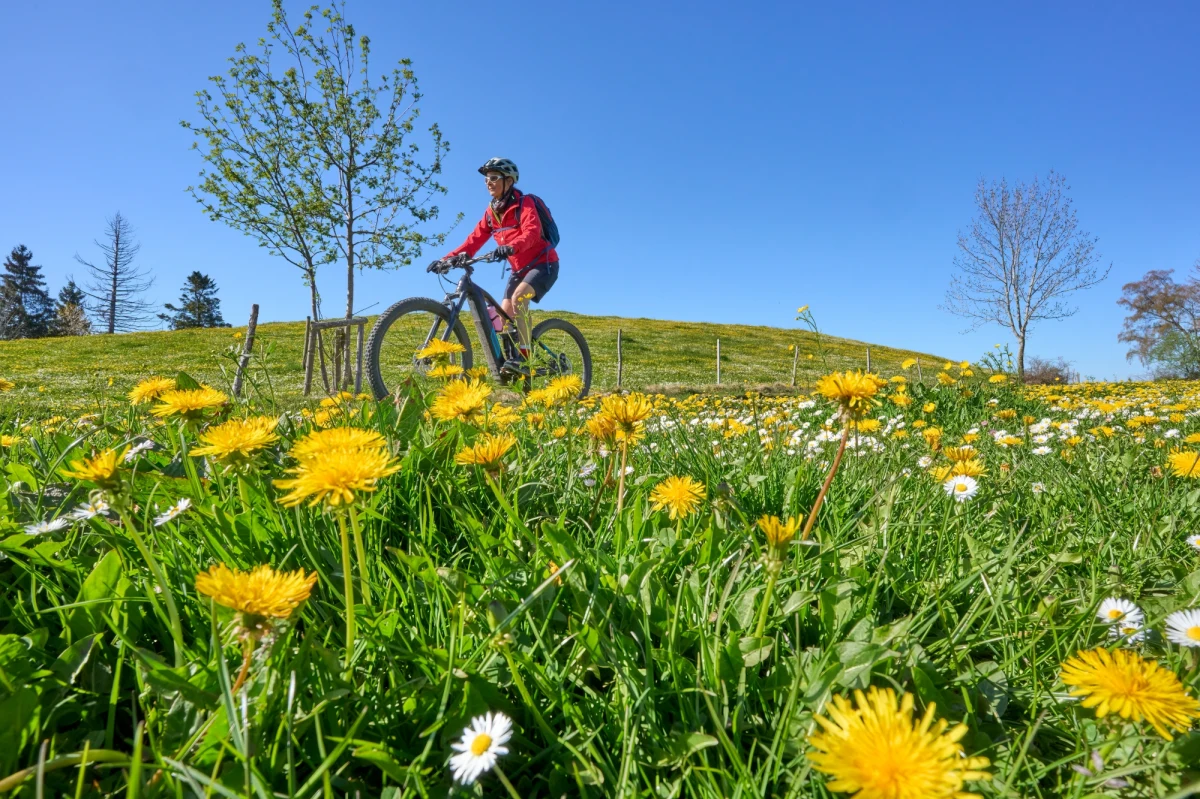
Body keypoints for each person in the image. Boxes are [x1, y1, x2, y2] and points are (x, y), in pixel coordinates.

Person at [439, 158, 559, 376]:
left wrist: (512, 246)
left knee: (519, 298)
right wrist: (447, 259)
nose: (488, 182)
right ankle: (513, 365)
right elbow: (473, 241)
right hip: (519, 270)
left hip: (544, 264)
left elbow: (532, 232)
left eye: (494, 178)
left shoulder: (525, 203)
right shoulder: (491, 213)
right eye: (486, 179)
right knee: (504, 316)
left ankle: (525, 358)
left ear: (509, 180)